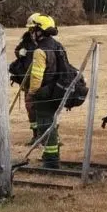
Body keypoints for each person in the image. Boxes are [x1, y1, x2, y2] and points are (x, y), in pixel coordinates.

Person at [22, 14, 66, 169]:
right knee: (52, 123)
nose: (31, 33)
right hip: (57, 91)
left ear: (39, 31)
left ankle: (51, 159)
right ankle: (51, 155)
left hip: (45, 93)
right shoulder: (57, 45)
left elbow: (37, 76)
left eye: (33, 30)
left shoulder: (40, 51)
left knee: (45, 123)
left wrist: (31, 92)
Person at [12, 13, 41, 144]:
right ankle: (36, 134)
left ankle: (51, 134)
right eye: (29, 28)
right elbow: (17, 50)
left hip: (43, 82)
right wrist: (19, 53)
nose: (30, 31)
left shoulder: (47, 42)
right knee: (31, 108)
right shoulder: (26, 40)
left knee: (47, 108)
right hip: (28, 81)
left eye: (32, 28)